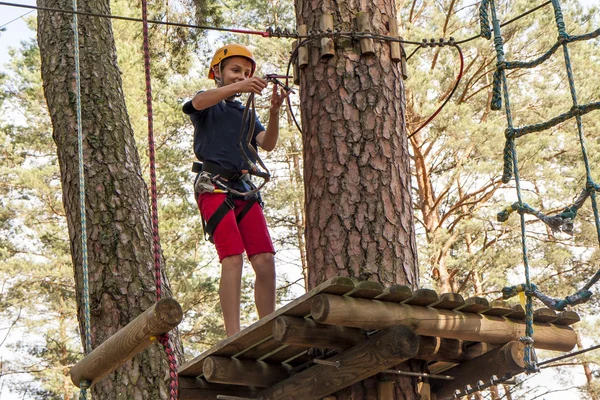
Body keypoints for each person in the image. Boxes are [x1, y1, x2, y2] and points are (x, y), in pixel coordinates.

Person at [183, 43, 289, 337]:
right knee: (232, 257)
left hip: (243, 188)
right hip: (213, 185)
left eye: (245, 72)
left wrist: (274, 111)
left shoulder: (244, 113)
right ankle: (234, 334)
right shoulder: (210, 105)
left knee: (265, 260)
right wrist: (240, 85)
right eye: (234, 70)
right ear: (217, 72)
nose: (240, 76)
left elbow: (266, 143)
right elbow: (198, 101)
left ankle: (268, 328)